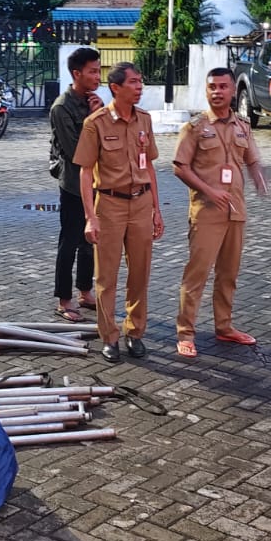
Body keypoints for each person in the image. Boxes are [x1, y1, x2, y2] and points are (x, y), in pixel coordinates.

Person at [173, 67, 267, 358]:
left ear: (232, 91)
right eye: (212, 86)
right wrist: (210, 191)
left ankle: (224, 327)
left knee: (229, 273)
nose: (217, 91)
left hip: (236, 211)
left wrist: (260, 180)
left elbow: (251, 160)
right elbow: (180, 167)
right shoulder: (195, 128)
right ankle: (185, 333)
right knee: (197, 274)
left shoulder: (243, 126)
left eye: (223, 86)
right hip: (206, 212)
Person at [72, 63, 164, 362]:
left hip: (141, 203)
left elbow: (148, 166)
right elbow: (86, 173)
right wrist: (90, 216)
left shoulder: (144, 121)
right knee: (106, 277)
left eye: (141, 82)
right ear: (116, 87)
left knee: (140, 273)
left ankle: (135, 332)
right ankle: (109, 336)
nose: (140, 87)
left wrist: (156, 210)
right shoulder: (95, 123)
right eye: (134, 82)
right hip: (109, 205)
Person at [50, 48, 104, 323]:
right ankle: (64, 299)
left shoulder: (93, 100)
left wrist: (99, 113)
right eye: (92, 71)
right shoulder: (62, 107)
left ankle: (85, 291)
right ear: (76, 73)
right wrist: (93, 119)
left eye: (98, 70)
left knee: (90, 242)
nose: (98, 76)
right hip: (72, 184)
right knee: (69, 241)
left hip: (96, 183)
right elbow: (76, 151)